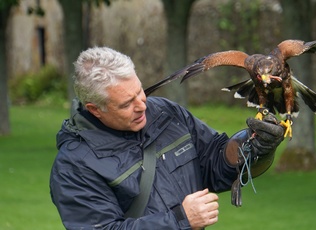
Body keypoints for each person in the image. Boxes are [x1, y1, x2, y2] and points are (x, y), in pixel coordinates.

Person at [50, 47, 285, 230]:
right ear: (95, 109)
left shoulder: (165, 113)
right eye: (126, 104)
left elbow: (216, 161)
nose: (142, 105)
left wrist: (253, 144)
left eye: (139, 91)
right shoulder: (74, 166)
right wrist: (180, 219)